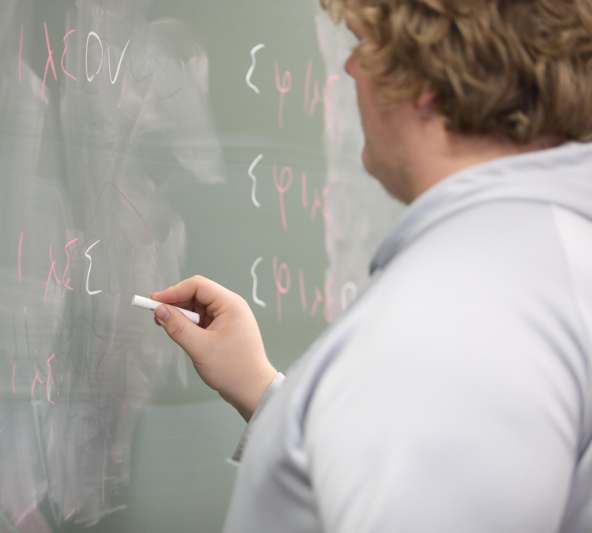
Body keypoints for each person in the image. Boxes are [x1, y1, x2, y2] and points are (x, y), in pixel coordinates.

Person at [150, 1, 592, 532]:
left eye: (364, 47)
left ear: (424, 79)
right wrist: (266, 395)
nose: (350, 69)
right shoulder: (543, 258)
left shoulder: (450, 322)